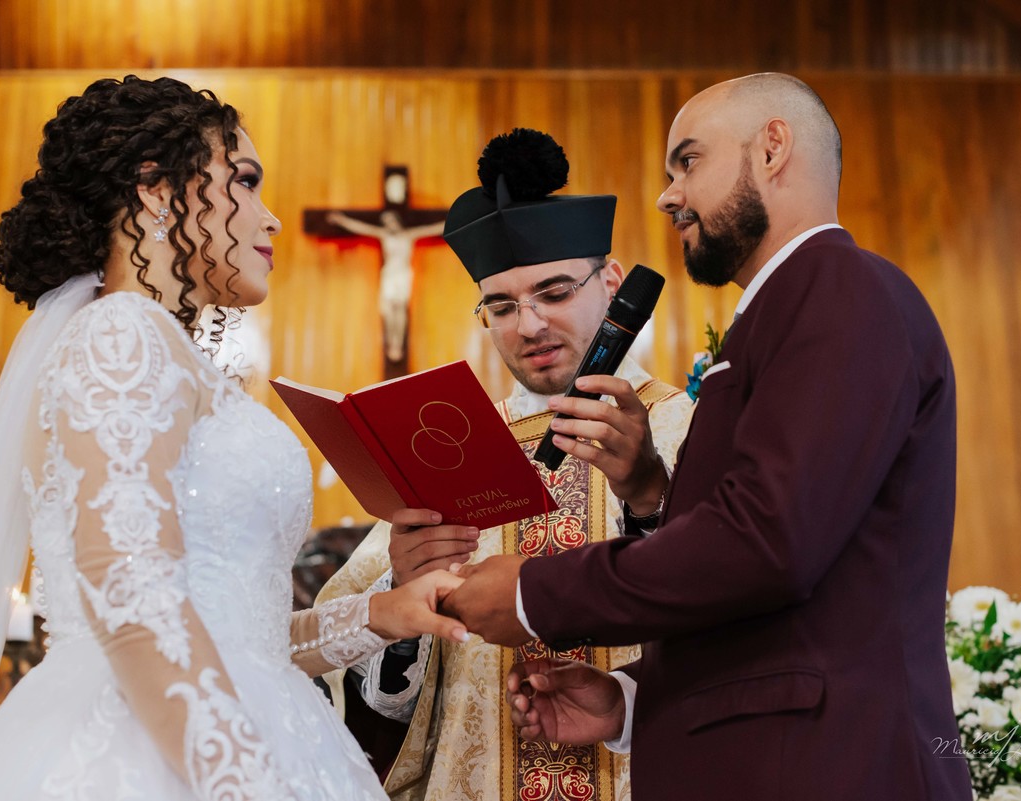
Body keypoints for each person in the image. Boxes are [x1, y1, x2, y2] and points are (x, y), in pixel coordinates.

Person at [0, 75, 471, 801]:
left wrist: (379, 614)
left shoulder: (169, 355)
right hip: (144, 754)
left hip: (229, 714)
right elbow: (131, 593)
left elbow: (239, 639)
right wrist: (242, 783)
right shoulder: (122, 333)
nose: (271, 218)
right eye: (244, 181)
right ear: (156, 190)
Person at [445, 74, 973, 800]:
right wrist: (630, 699)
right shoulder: (782, 309)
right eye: (501, 306)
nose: (667, 196)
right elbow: (781, 600)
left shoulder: (839, 287)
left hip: (824, 766)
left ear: (773, 147)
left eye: (687, 162)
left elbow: (768, 541)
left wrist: (536, 595)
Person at [314, 128, 693, 801]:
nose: (529, 325)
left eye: (555, 292)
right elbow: (363, 684)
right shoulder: (449, 446)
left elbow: (731, 613)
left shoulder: (686, 425)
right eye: (501, 305)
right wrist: (407, 598)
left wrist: (649, 499)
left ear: (611, 283)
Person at [325, 210, 444, 362]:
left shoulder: (409, 235)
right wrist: (342, 220)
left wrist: (456, 219)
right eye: (386, 222)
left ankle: (397, 344)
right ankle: (390, 343)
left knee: (400, 309)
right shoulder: (384, 234)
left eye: (391, 220)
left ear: (398, 221)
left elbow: (432, 229)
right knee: (388, 311)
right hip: (389, 273)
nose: (389, 224)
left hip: (402, 274)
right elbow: (362, 228)